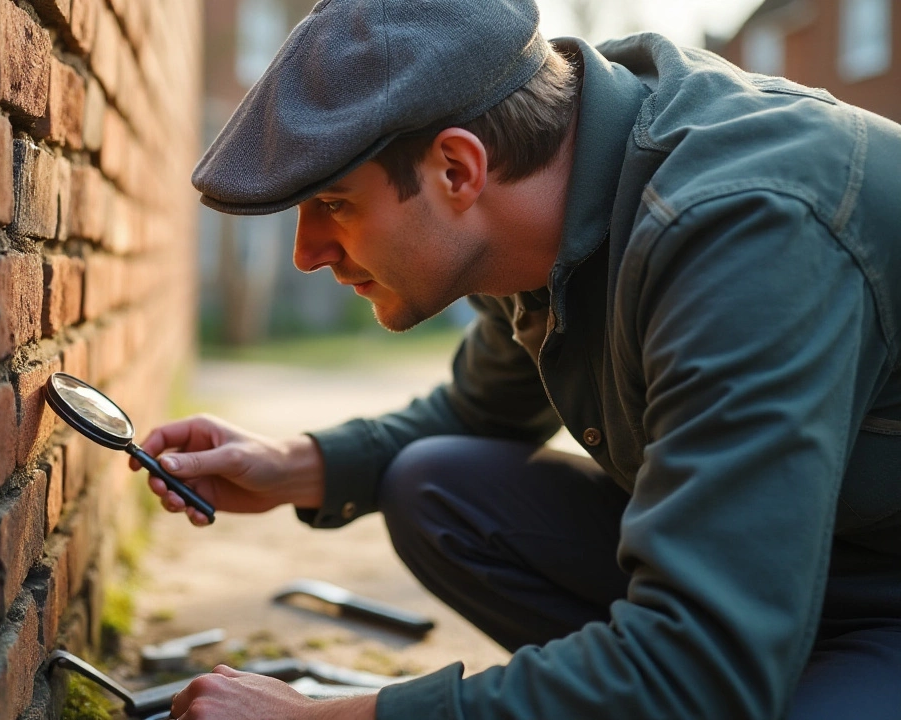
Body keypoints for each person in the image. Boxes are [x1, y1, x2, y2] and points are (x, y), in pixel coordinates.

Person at [129, 0, 901, 717]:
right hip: (788, 572)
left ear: (458, 170)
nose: (306, 254)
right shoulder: (554, 191)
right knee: (435, 485)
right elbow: (481, 411)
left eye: (332, 204)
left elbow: (694, 663)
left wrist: (333, 717)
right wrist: (297, 464)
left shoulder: (743, 231)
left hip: (877, 596)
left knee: (696, 681)